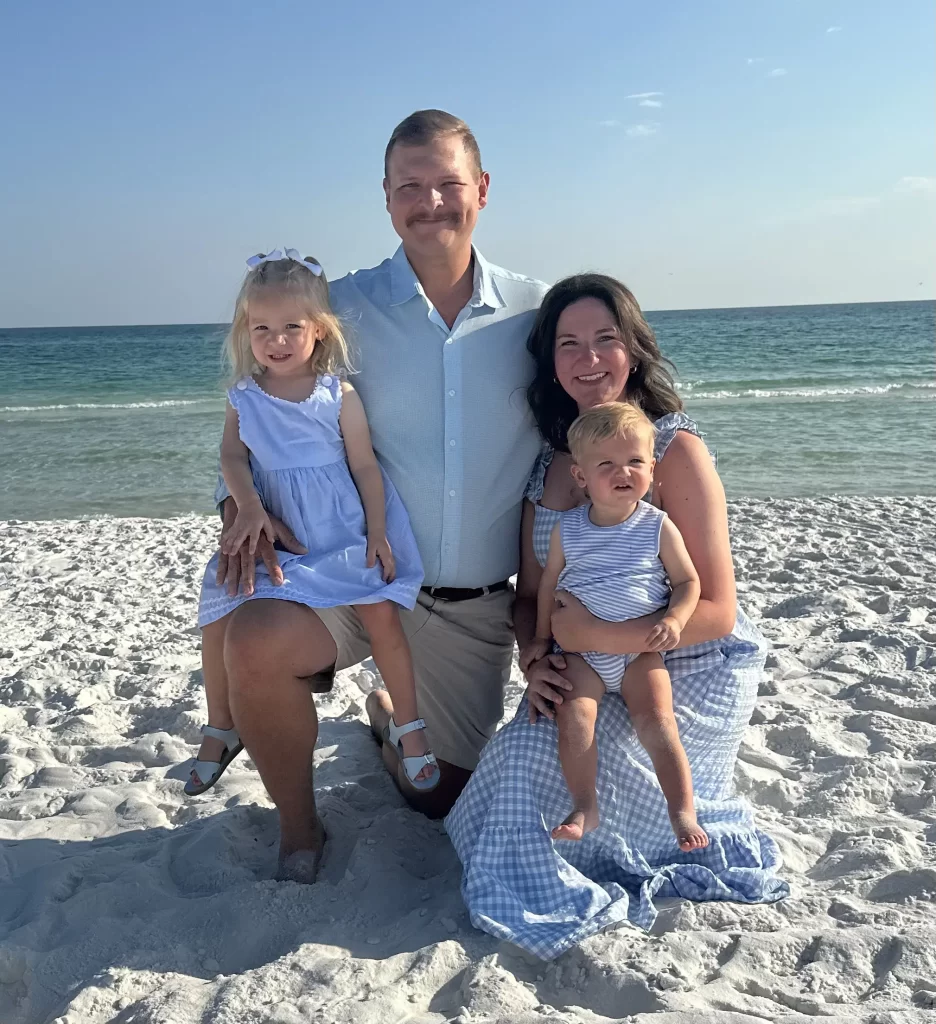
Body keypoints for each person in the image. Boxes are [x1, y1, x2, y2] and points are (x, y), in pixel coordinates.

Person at [210, 111, 548, 874]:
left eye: (448, 184)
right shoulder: (335, 308)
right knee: (252, 638)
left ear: (482, 189)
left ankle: (389, 716)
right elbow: (261, 422)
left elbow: (585, 432)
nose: (430, 202)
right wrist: (239, 510)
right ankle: (301, 829)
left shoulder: (537, 312)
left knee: (440, 799)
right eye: (410, 186)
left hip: (470, 603)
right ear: (386, 196)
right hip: (352, 575)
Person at [446, 274, 788, 959]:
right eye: (568, 344)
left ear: (633, 350)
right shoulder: (551, 466)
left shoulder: (672, 451)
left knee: (613, 760)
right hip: (580, 664)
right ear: (550, 362)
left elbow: (718, 609)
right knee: (519, 759)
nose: (589, 358)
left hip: (682, 660)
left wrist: (601, 636)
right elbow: (529, 596)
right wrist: (535, 656)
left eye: (605, 339)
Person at [187, 251, 434, 876]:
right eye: (261, 329)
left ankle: (410, 727)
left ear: (319, 329)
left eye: (291, 327)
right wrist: (247, 507)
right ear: (245, 332)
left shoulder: (336, 393)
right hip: (284, 532)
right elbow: (232, 460)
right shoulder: (245, 397)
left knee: (381, 615)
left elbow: (365, 467)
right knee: (222, 602)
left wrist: (378, 531)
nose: (276, 341)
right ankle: (221, 725)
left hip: (342, 529)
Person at [520, 402, 706, 850]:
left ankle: (682, 811)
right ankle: (585, 805)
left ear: (652, 469)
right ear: (581, 476)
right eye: (606, 464)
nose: (623, 472)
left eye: (635, 461)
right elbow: (547, 586)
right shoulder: (568, 529)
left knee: (658, 722)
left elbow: (688, 581)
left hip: (640, 654)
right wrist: (541, 639)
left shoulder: (657, 526)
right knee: (574, 718)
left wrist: (676, 617)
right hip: (581, 657)